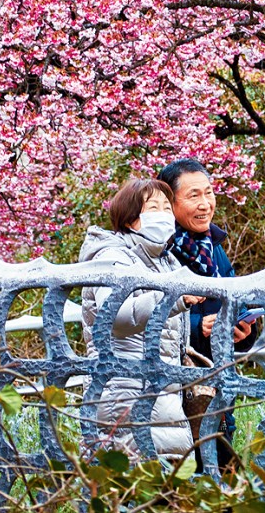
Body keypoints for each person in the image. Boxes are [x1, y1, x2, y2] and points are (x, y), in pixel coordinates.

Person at [78, 179, 205, 466]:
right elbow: (117, 315)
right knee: (128, 483)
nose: (164, 214)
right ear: (133, 219)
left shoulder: (164, 260)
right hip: (123, 390)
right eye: (153, 208)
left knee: (166, 487)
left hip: (160, 388)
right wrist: (177, 299)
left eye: (166, 207)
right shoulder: (112, 256)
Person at [158, 158, 254, 471]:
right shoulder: (157, 251)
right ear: (169, 202)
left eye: (209, 193)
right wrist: (200, 327)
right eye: (194, 195)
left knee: (219, 480)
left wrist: (239, 333)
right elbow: (140, 319)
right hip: (170, 396)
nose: (205, 204)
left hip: (214, 390)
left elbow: (231, 305)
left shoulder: (214, 248)